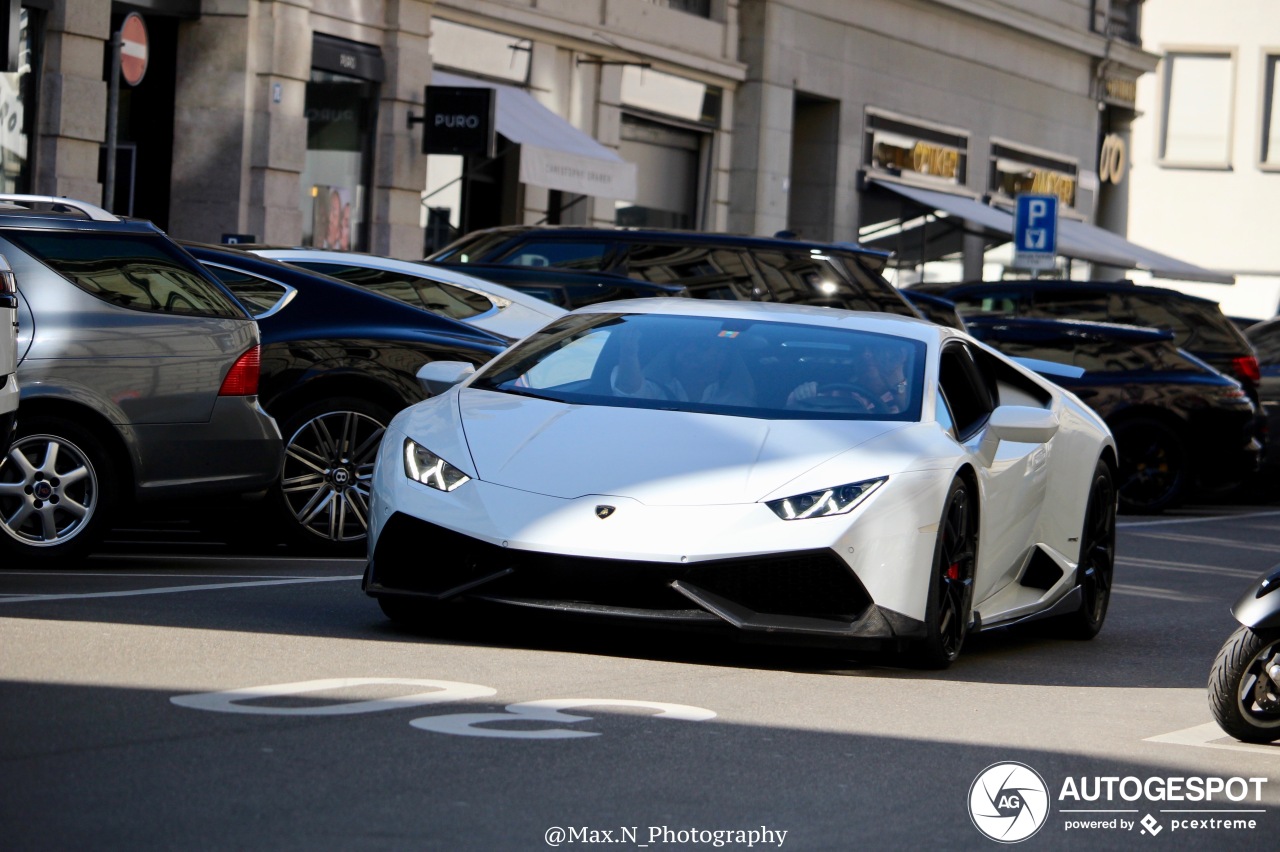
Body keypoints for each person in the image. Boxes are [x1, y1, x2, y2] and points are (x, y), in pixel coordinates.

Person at [612, 325, 755, 406]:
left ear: (721, 356)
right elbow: (628, 391)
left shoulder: (736, 403)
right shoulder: (655, 391)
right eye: (684, 343)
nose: (690, 350)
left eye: (702, 345)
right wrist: (629, 352)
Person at [786, 340, 910, 413]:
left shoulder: (917, 397)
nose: (866, 354)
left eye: (875, 349)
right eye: (859, 350)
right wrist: (803, 394)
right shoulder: (830, 391)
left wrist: (897, 382)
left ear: (897, 357)